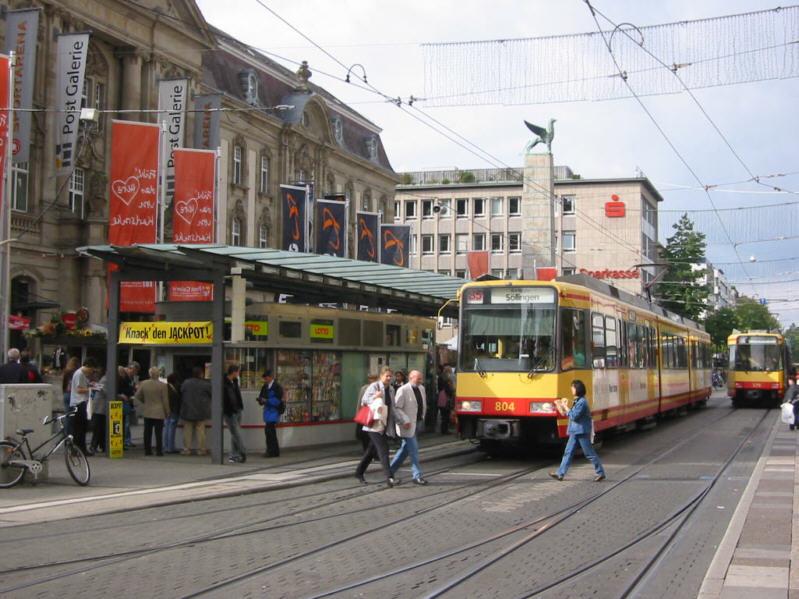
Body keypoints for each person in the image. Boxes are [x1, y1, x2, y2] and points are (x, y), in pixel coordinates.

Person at [549, 380, 606, 482]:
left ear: (577, 389)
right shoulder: (578, 401)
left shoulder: (582, 402)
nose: (571, 389)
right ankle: (560, 473)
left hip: (581, 431)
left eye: (573, 388)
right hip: (575, 431)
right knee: (568, 452)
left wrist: (565, 407)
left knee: (589, 453)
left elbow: (574, 416)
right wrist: (562, 406)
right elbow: (571, 414)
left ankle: (600, 472)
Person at [354, 366, 400, 487]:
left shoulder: (391, 389)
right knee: (383, 450)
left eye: (390, 376)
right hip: (374, 425)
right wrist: (375, 396)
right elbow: (364, 401)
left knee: (371, 451)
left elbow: (393, 408)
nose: (389, 378)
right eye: (387, 376)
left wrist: (400, 421)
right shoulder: (374, 386)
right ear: (381, 376)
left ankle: (359, 472)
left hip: (384, 424)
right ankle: (390, 477)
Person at [389, 369, 428, 485]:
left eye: (421, 378)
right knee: (414, 450)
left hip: (417, 423)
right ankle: (417, 476)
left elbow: (422, 404)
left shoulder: (421, 388)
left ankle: (389, 471)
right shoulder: (403, 390)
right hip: (406, 425)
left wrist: (422, 417)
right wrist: (404, 419)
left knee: (405, 450)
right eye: (418, 378)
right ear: (411, 378)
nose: (421, 380)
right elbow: (396, 407)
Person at [134, 367, 170, 456]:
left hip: (148, 410)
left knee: (147, 432)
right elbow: (165, 400)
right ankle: (159, 451)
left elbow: (137, 396)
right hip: (159, 411)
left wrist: (145, 401)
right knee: (158, 433)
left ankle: (147, 450)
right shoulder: (163, 385)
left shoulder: (144, 384)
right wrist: (167, 411)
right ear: (158, 374)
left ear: (150, 374)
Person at [180, 366, 211, 455]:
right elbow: (212, 393)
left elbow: (181, 391)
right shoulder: (205, 384)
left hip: (187, 410)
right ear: (201, 374)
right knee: (201, 431)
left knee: (187, 431)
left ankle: (186, 449)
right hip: (201, 410)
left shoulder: (186, 383)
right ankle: (201, 449)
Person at [70, 358, 97, 454]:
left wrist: (90, 385)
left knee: (81, 428)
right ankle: (80, 450)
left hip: (80, 402)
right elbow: (79, 390)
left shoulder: (82, 375)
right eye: (91, 369)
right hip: (79, 402)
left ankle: (80, 449)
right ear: (87, 367)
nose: (91, 372)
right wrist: (92, 389)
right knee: (80, 428)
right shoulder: (80, 374)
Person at [223, 364, 247, 463]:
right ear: (233, 372)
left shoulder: (235, 382)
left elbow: (237, 395)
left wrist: (240, 407)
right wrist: (229, 410)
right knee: (236, 433)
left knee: (235, 433)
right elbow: (225, 398)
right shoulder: (224, 383)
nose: (238, 374)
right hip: (230, 411)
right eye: (238, 372)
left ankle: (234, 454)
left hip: (237, 409)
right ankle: (242, 451)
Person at [257, 370, 284, 458]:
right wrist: (260, 400)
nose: (265, 379)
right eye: (264, 378)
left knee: (269, 431)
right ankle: (275, 451)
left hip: (274, 411)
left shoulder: (277, 387)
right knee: (271, 432)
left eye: (266, 377)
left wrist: (267, 400)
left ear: (271, 377)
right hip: (267, 411)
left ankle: (270, 451)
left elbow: (278, 400)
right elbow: (261, 396)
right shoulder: (265, 386)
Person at [355, 374, 378, 451]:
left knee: (373, 434)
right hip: (366, 413)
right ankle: (366, 450)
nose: (372, 380)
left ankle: (373, 452)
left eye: (374, 378)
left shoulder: (379, 388)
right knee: (365, 434)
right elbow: (359, 402)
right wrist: (358, 414)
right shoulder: (364, 388)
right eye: (370, 378)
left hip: (375, 414)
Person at [118, 365, 137, 448]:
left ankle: (126, 440)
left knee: (126, 422)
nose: (134, 373)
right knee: (125, 422)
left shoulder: (129, 379)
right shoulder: (122, 379)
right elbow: (122, 389)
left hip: (127, 401)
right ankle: (125, 441)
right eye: (133, 371)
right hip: (123, 401)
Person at [163, 373, 182, 454]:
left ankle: (166, 446)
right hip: (174, 410)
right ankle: (171, 447)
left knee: (166, 427)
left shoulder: (165, 387)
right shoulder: (177, 387)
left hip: (166, 410)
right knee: (171, 428)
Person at [90, 370, 108, 455]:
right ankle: (94, 445)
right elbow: (105, 391)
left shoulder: (105, 379)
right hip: (100, 407)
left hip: (100, 407)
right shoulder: (106, 379)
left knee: (100, 427)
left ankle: (100, 445)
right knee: (98, 428)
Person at [62, 356, 80, 435]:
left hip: (66, 393)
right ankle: (69, 435)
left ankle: (66, 434)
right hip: (73, 395)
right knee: (72, 417)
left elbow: (64, 384)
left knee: (67, 415)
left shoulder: (66, 372)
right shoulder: (76, 372)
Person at [437, 366, 454, 434]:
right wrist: (451, 392)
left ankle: (444, 429)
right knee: (446, 415)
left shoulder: (441, 377)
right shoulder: (446, 378)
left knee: (444, 415)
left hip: (441, 397)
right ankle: (444, 430)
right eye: (450, 371)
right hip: (445, 398)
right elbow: (448, 389)